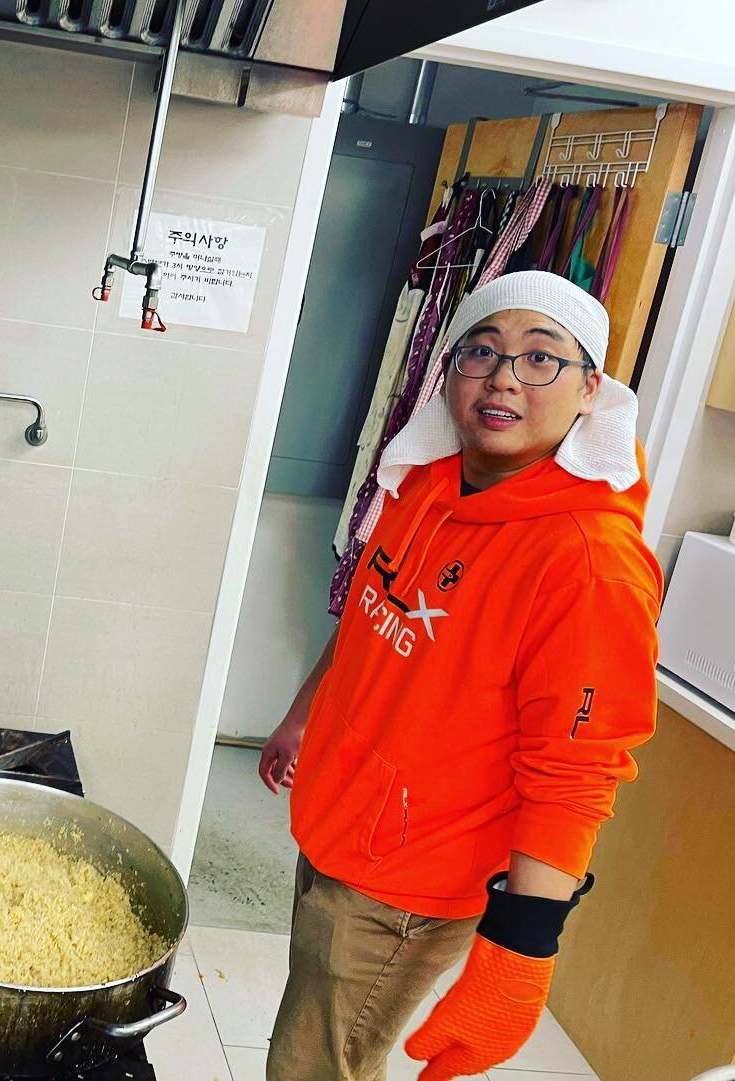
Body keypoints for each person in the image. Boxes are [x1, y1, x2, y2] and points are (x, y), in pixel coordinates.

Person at [258, 271, 662, 1081]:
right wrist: (304, 712)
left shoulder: (588, 564)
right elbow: (375, 613)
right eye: (483, 350)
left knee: (309, 1069)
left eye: (541, 356)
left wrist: (519, 951)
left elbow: (577, 772)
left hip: (410, 880)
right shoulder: (431, 487)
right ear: (449, 376)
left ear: (591, 390)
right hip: (341, 825)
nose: (505, 374)